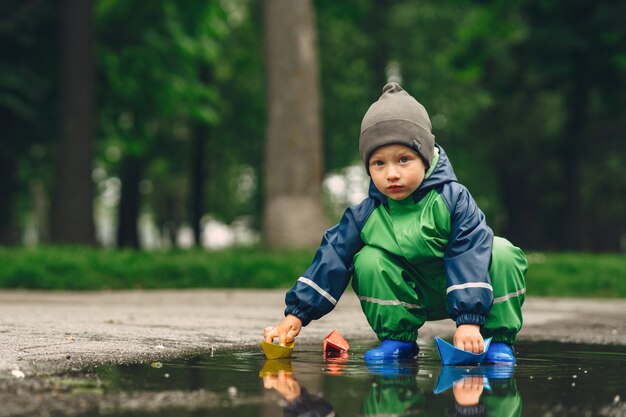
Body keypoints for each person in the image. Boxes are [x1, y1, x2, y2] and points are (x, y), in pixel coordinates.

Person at [264, 82, 527, 363]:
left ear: (425, 158)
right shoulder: (365, 214)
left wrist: (469, 321)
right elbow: (332, 258)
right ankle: (397, 341)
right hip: (411, 294)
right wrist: (296, 315)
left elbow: (467, 254)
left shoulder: (452, 199)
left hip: (469, 291)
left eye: (404, 160)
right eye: (379, 163)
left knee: (501, 251)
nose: (391, 174)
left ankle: (498, 342)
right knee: (367, 259)